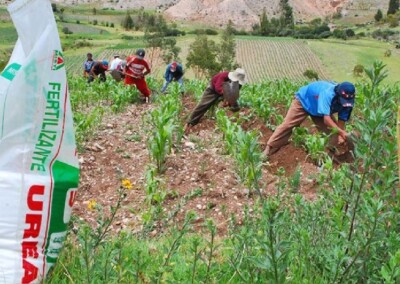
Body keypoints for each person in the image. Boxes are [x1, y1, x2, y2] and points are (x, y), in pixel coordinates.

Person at [263, 81, 356, 157]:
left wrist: (340, 135)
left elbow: (342, 119)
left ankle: (331, 155)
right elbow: (327, 120)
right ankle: (269, 148)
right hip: (304, 101)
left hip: (319, 110)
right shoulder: (327, 94)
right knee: (288, 124)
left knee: (333, 133)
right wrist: (343, 133)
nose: (345, 103)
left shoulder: (348, 101)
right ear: (338, 94)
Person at [184, 68, 246, 133]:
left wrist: (229, 100)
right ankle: (190, 122)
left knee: (235, 104)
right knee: (203, 105)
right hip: (212, 90)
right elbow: (218, 88)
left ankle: (237, 121)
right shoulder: (223, 76)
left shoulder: (239, 84)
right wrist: (226, 97)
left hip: (228, 91)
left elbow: (235, 92)